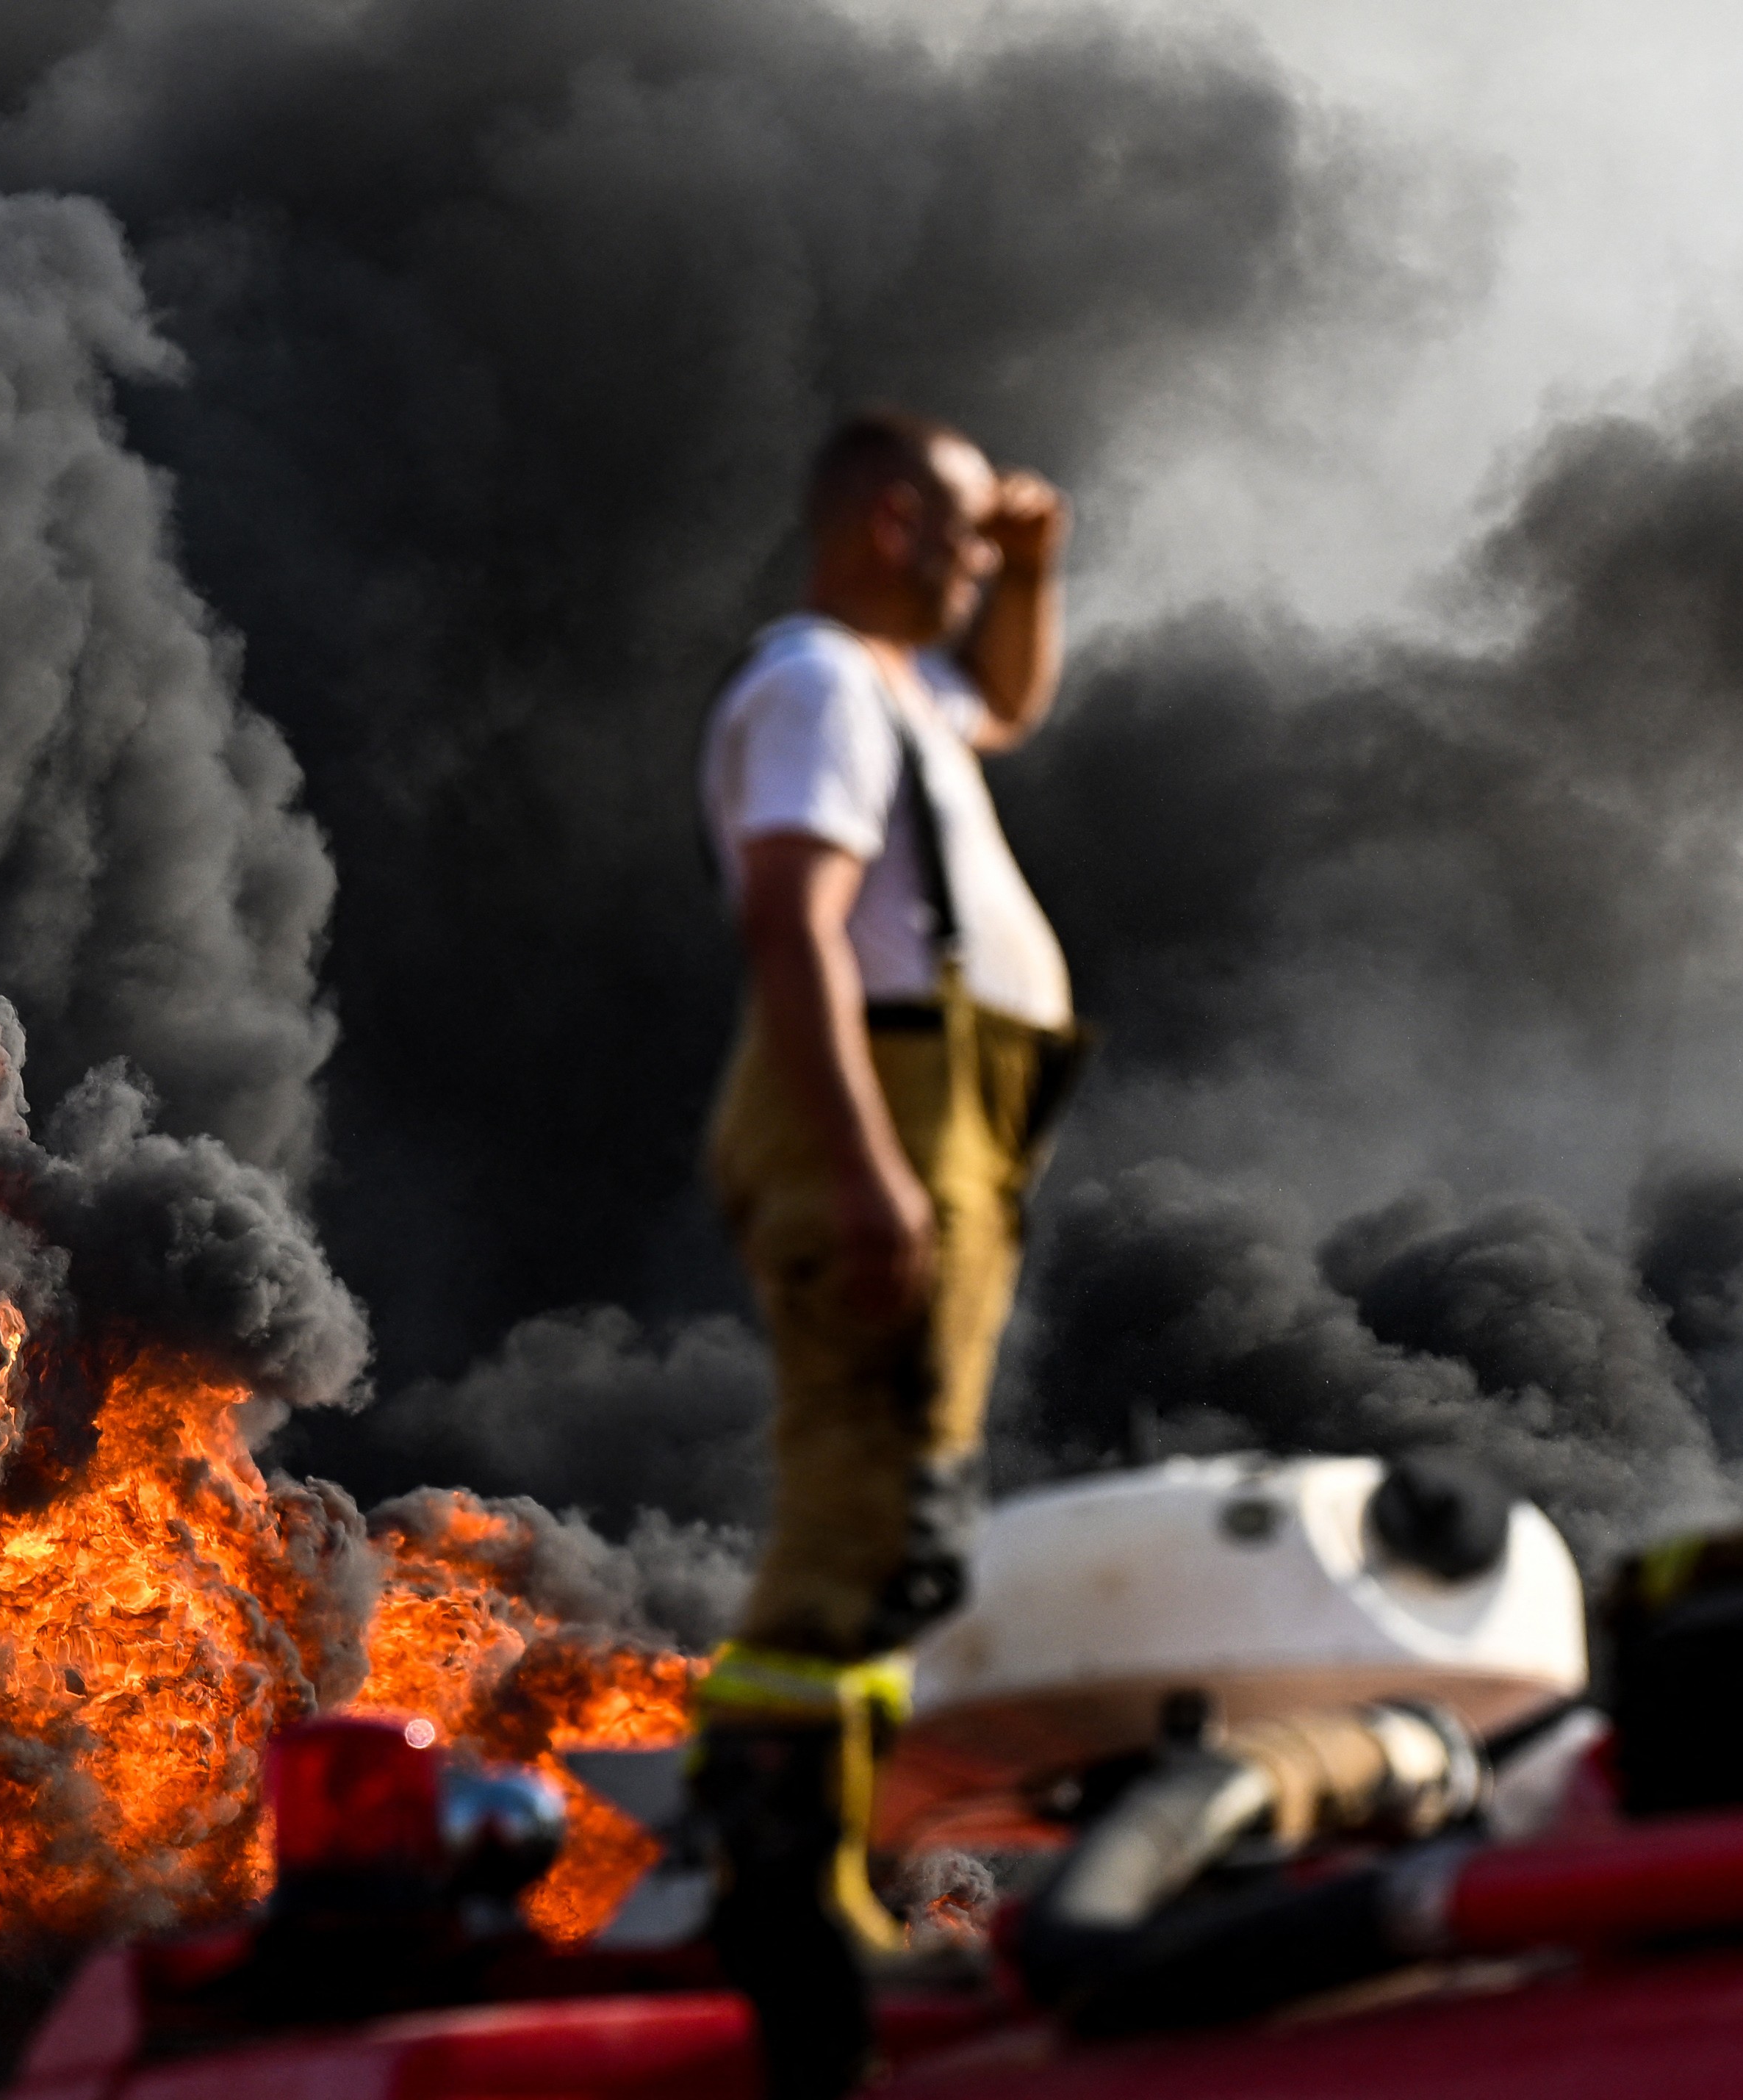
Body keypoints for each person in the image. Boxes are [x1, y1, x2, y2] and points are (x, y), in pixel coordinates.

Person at [690, 408, 1087, 2095]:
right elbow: (788, 917)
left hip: (958, 1105)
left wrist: (1029, 557)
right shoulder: (817, 688)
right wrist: (865, 1166)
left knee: (908, 1513)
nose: (972, 557)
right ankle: (776, 1884)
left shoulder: (905, 693)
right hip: (887, 1098)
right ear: (873, 523)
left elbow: (1006, 698)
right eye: (944, 527)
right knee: (859, 1505)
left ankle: (825, 1867)